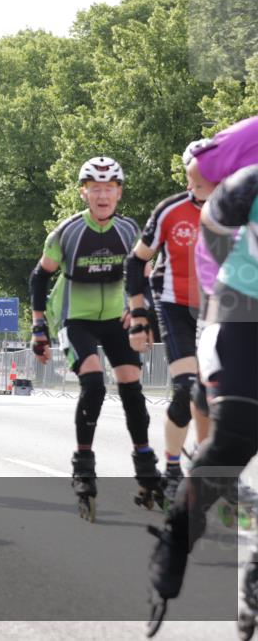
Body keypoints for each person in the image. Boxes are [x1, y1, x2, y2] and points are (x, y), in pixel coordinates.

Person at [146, 116, 258, 635]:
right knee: (234, 434)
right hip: (239, 303)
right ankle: (176, 542)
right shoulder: (245, 183)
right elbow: (210, 204)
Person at [30, 156, 163, 522]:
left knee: (132, 389)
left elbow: (145, 274)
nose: (102, 196)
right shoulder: (67, 232)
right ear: (84, 193)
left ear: (119, 193)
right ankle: (83, 466)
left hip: (117, 317)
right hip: (77, 318)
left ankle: (145, 465)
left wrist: (142, 310)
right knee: (94, 386)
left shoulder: (129, 229)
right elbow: (39, 277)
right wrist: (38, 326)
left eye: (109, 189)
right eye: (95, 189)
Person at [124, 140, 213, 507]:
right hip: (174, 303)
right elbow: (135, 262)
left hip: (218, 306)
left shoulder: (242, 208)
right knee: (187, 388)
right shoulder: (170, 211)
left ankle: (212, 468)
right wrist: (139, 317)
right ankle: (173, 468)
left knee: (220, 395)